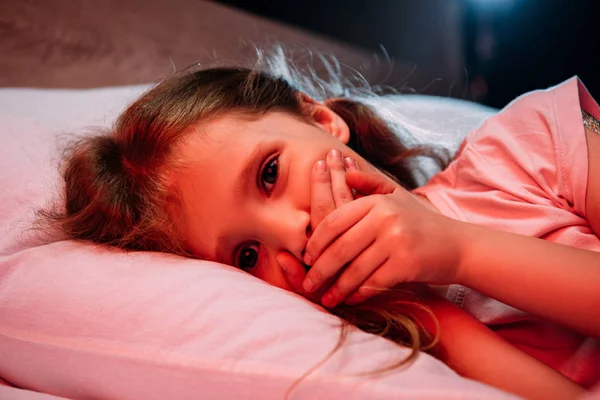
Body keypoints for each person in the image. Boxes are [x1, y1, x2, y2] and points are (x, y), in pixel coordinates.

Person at [48, 54, 600, 399]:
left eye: (269, 173)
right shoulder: (385, 346)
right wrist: (429, 316)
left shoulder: (530, 145)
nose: (291, 231)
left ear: (321, 120)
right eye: (246, 255)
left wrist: (457, 250)